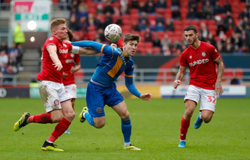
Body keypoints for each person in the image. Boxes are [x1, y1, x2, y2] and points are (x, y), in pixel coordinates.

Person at [13, 18, 95, 151]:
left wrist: (105, 50)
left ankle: (49, 142)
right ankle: (27, 119)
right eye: (62, 28)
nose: (65, 30)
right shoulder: (51, 41)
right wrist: (57, 61)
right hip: (47, 83)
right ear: (54, 31)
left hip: (59, 84)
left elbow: (85, 51)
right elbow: (51, 51)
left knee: (70, 114)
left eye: (65, 28)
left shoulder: (66, 45)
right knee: (56, 117)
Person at [70, 33, 152, 150]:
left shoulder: (130, 63)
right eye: (131, 44)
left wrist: (139, 95)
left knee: (125, 114)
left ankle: (127, 145)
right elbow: (91, 44)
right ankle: (85, 113)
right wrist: (69, 44)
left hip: (110, 89)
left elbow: (129, 83)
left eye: (135, 45)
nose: (134, 47)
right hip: (96, 88)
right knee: (100, 124)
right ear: (124, 44)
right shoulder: (112, 51)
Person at [173, 25, 224, 148]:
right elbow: (181, 71)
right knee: (188, 111)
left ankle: (201, 116)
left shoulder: (209, 48)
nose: (188, 38)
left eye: (190, 35)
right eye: (186, 36)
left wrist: (218, 82)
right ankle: (182, 140)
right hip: (194, 85)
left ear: (197, 34)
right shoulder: (185, 54)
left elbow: (220, 64)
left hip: (209, 87)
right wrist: (177, 80)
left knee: (207, 118)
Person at [63, 28, 81, 134]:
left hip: (70, 80)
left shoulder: (74, 50)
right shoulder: (58, 50)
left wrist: (76, 69)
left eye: (67, 37)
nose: (66, 39)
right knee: (63, 104)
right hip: (59, 80)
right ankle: (64, 124)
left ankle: (66, 126)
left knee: (72, 102)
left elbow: (78, 64)